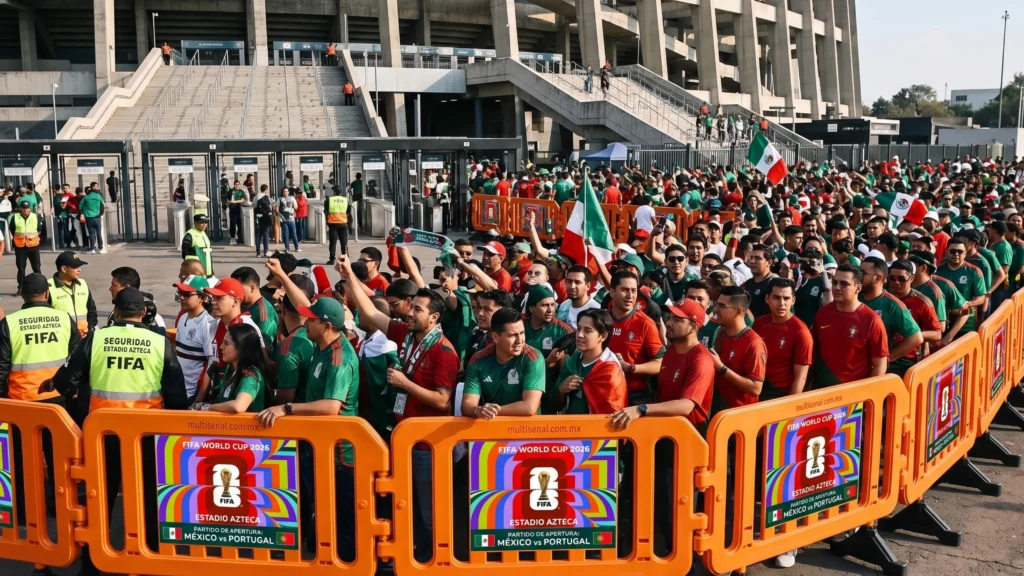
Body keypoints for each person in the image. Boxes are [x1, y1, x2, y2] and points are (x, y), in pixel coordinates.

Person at [44, 287, 187, 575]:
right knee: (146, 496)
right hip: (145, 437)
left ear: (116, 312)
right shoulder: (159, 342)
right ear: (144, 313)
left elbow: (65, 379)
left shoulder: (97, 338)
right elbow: (177, 396)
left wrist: (75, 396)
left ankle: (92, 563)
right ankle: (147, 558)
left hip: (101, 437)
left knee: (99, 498)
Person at [257, 297, 359, 562]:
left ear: (325, 325)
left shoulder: (339, 357)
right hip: (321, 446)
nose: (305, 323)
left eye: (311, 320)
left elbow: (331, 406)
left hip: (340, 453)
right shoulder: (322, 349)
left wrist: (287, 408)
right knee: (322, 509)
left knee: (342, 517)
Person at [0, 273, 80, 535]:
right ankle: (60, 506)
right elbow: (76, 361)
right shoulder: (64, 319)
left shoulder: (9, 323)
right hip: (58, 402)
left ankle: (24, 511)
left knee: (24, 461)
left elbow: (1, 369)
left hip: (22, 404)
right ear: (47, 294)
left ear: (23, 295)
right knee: (59, 459)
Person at [812, 265, 889, 388]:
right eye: (835, 282)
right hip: (821, 393)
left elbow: (880, 366)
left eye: (844, 284)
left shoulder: (871, 320)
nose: (837, 287)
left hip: (852, 397)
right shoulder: (823, 313)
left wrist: (865, 394)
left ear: (858, 288)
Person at [462, 307, 545, 418]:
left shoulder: (533, 358)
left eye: (522, 333)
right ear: (495, 337)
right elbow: (467, 405)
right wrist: (478, 410)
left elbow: (529, 407)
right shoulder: (478, 360)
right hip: (492, 429)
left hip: (525, 430)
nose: (519, 341)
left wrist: (491, 411)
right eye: (512, 335)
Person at [606, 270, 665, 405]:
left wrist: (631, 368)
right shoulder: (601, 320)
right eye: (625, 290)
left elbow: (660, 363)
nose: (630, 296)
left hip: (635, 394)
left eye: (633, 291)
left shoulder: (645, 323)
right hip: (603, 389)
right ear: (612, 292)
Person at [554, 308, 626, 414]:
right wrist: (561, 390)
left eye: (587, 331)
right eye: (578, 329)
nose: (579, 335)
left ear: (603, 336)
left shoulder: (610, 370)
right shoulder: (572, 361)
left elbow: (612, 414)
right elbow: (554, 402)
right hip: (571, 427)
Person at [707, 286, 766, 416]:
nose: (715, 309)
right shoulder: (721, 332)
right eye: (716, 304)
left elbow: (756, 388)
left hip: (740, 418)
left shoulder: (753, 343)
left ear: (738, 311)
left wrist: (722, 369)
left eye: (722, 306)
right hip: (719, 411)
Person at [752, 278, 812, 400]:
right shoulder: (759, 323)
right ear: (767, 298)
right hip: (756, 389)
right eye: (776, 297)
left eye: (786, 298)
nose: (781, 303)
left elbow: (801, 377)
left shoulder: (801, 332)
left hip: (780, 395)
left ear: (793, 300)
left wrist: (790, 407)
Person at [198, 324, 267, 413]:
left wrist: (208, 408)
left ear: (241, 347)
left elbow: (239, 406)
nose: (221, 347)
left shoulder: (251, 376)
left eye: (226, 343)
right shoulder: (231, 369)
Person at [172, 274, 216, 404]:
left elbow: (211, 364)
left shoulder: (208, 324)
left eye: (186, 294)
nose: (181, 297)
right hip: (177, 389)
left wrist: (198, 399)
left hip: (192, 394)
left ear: (202, 297)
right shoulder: (183, 317)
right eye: (180, 293)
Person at [887, 259, 942, 360]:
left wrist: (912, 335)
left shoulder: (922, 302)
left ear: (912, 278)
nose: (896, 282)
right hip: (881, 354)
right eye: (892, 278)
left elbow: (937, 334)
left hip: (907, 358)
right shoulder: (883, 296)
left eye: (902, 279)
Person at [935, 237, 987, 336]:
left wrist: (968, 304)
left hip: (966, 325)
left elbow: (981, 297)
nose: (956, 254)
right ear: (946, 252)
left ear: (965, 253)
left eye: (960, 251)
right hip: (941, 321)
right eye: (952, 251)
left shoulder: (974, 271)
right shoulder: (938, 270)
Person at [48, 250, 97, 337]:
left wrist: (91, 328)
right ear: (64, 269)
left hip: (84, 337)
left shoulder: (82, 284)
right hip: (63, 339)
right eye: (75, 267)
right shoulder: (49, 287)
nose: (79, 270)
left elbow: (91, 309)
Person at [231, 267, 279, 348]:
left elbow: (264, 346)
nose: (236, 293)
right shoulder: (241, 305)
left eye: (239, 289)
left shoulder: (264, 312)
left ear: (252, 288)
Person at [10, 200, 41, 295]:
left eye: (27, 208)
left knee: (36, 267)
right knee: (21, 268)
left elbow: (39, 229)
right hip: (20, 246)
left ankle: (39, 286)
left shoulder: (34, 216)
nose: (25, 210)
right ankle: (21, 288)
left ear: (29, 208)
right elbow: (12, 229)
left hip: (33, 245)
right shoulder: (15, 217)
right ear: (20, 209)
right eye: (23, 208)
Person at [556, 265, 601, 329]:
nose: (572, 286)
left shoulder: (596, 310)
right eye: (569, 281)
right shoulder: (564, 305)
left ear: (588, 286)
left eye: (577, 282)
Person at [326, 181, 350, 264]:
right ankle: (346, 258)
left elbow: (326, 211)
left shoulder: (330, 199)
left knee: (333, 243)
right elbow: (348, 212)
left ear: (334, 192)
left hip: (333, 224)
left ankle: (332, 259)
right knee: (344, 242)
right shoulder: (345, 200)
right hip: (343, 223)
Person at [254, 184, 274, 258]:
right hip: (266, 218)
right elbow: (269, 207)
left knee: (258, 235)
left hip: (258, 218)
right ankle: (265, 251)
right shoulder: (266, 197)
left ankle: (258, 253)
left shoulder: (256, 197)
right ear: (266, 190)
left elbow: (254, 205)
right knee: (266, 234)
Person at [228, 180, 247, 244]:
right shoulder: (231, 191)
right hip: (232, 210)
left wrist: (235, 201)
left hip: (239, 209)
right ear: (234, 185)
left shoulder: (241, 191)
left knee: (240, 224)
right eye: (236, 184)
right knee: (232, 224)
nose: (237, 185)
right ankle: (232, 237)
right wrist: (230, 202)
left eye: (238, 184)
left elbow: (243, 200)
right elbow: (228, 199)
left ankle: (240, 238)